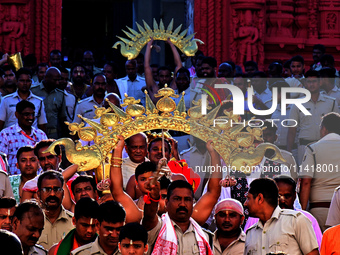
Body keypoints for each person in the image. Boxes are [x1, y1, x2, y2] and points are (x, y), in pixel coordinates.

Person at [244, 178, 319, 255]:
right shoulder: (251, 232)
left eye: (248, 198)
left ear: (260, 198)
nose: (245, 203)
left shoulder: (295, 221)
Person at [299, 112, 340, 231]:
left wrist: (301, 212)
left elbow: (306, 182)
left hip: (319, 209)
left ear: (324, 129)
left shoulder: (313, 148)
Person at [287, 70, 339, 164]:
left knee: (325, 175)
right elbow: (292, 130)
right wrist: (289, 152)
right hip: (304, 147)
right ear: (305, 84)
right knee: (305, 176)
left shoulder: (331, 102)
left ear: (320, 82)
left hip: (326, 146)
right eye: (309, 82)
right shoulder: (297, 104)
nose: (311, 84)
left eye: (314, 81)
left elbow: (337, 127)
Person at [0, 100, 47, 175]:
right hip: (14, 181)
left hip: (37, 181)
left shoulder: (41, 135)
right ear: (17, 115)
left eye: (33, 114)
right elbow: (1, 163)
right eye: (27, 114)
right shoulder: (6, 134)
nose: (31, 117)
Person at [0, 67, 47, 132]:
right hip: (11, 138)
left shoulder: (39, 101)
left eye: (27, 81)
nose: (25, 83)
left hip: (32, 139)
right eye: (22, 81)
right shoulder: (6, 100)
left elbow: (42, 125)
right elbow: (1, 123)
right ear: (16, 81)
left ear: (31, 82)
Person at [37, 170, 74, 250]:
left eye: (57, 189)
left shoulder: (74, 222)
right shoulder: (32, 221)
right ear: (38, 194)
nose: (52, 194)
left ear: (63, 194)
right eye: (47, 190)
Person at [31, 67, 68, 139]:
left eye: (58, 80)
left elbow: (62, 117)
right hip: (35, 133)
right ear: (46, 78)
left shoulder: (60, 94)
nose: (57, 83)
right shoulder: (33, 91)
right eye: (55, 80)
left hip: (53, 134)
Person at [144, 38, 182, 104]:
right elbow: (146, 66)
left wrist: (171, 44)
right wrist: (149, 45)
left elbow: (179, 66)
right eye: (161, 76)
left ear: (171, 77)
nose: (164, 78)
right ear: (157, 77)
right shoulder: (153, 88)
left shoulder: (173, 88)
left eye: (166, 76)